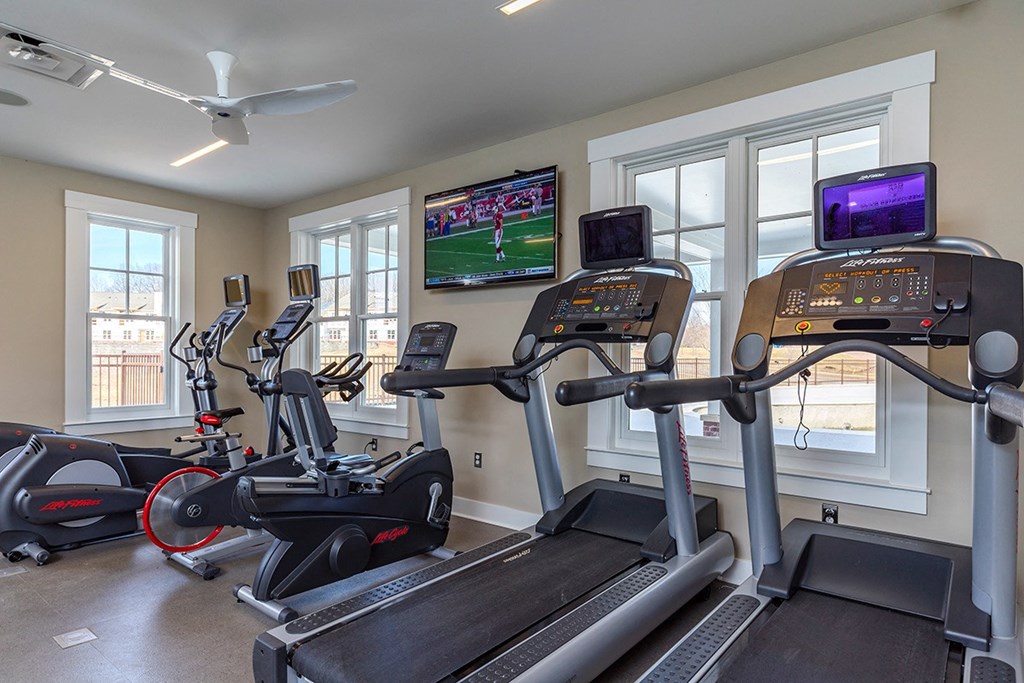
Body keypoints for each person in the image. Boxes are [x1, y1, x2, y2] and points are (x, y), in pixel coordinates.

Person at [492, 198, 506, 262]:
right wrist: (493, 233)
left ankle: (503, 256)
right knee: (496, 245)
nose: (493, 211)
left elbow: (501, 224)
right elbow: (495, 225)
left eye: (493, 210)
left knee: (497, 245)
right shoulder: (494, 216)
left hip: (499, 230)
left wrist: (500, 231)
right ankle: (497, 259)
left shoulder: (499, 215)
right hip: (496, 230)